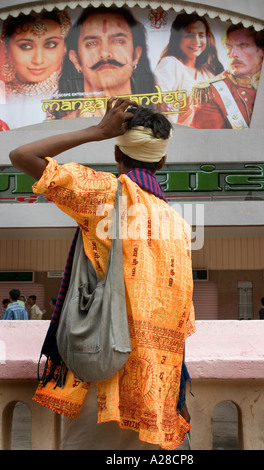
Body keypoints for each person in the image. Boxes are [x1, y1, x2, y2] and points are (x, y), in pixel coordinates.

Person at [9, 97, 195, 450]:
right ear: (163, 160)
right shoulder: (177, 223)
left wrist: (96, 130)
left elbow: (22, 156)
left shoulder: (105, 194)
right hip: (159, 382)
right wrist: (179, 388)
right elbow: (179, 314)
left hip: (105, 367)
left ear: (117, 154)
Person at [52, 6, 156, 119]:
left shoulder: (156, 120)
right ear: (75, 59)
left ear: (136, 55)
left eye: (118, 41)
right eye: (92, 43)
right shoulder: (64, 126)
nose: (105, 53)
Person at [187, 23, 264, 129]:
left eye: (242, 45)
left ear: (262, 50)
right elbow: (207, 140)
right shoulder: (211, 92)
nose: (232, 54)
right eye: (228, 46)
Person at [154, 12, 224, 123]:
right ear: (178, 38)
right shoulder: (170, 64)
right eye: (189, 35)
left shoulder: (208, 73)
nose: (196, 41)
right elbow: (159, 101)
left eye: (201, 35)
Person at [0, 9, 71, 97]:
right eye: (25, 46)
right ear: (7, 48)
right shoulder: (3, 94)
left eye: (50, 44)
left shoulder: (75, 91)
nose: (38, 60)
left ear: (65, 47)